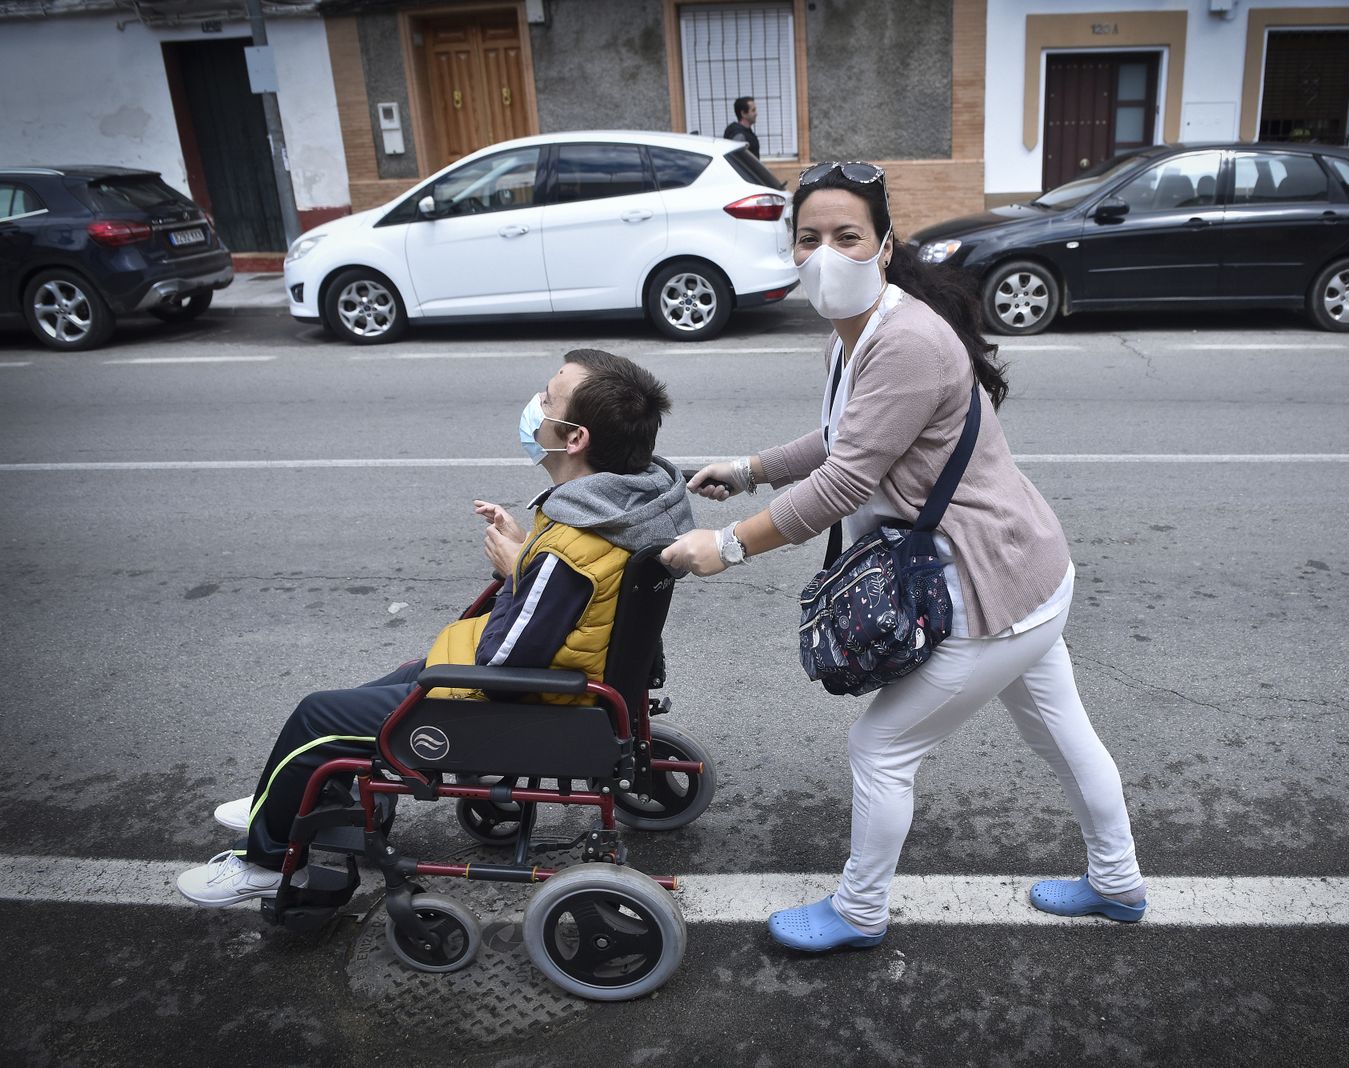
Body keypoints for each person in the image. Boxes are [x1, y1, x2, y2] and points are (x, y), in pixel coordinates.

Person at [661, 161, 1146, 952]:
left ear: (883, 247)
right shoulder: (854, 337)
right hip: (1024, 568)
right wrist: (751, 468)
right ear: (790, 251)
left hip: (990, 587)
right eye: (808, 239)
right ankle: (1119, 883)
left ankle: (859, 911)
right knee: (1063, 737)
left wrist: (726, 546)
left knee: (881, 747)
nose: (826, 255)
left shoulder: (906, 340)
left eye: (847, 237)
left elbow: (846, 479)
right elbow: (847, 439)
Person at [178, 349, 695, 907]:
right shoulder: (620, 504)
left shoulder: (572, 545)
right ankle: (280, 797)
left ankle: (266, 860)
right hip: (562, 681)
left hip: (516, 707)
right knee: (390, 681)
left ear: (574, 439)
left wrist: (518, 569)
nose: (535, 406)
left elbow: (504, 661)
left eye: (547, 399)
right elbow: (574, 606)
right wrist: (529, 557)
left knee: (317, 714)